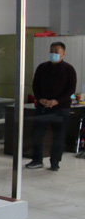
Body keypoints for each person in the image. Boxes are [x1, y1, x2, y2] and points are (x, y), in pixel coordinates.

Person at [25, 41, 77, 171]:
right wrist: (40, 99)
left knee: (58, 136)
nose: (53, 54)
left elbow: (71, 89)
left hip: (61, 108)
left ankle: (55, 162)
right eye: (51, 51)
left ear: (63, 54)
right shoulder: (42, 67)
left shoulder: (69, 69)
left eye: (56, 52)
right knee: (37, 134)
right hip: (43, 107)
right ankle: (37, 160)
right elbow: (35, 86)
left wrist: (56, 101)